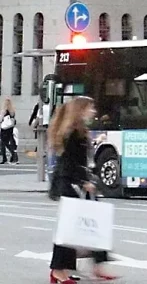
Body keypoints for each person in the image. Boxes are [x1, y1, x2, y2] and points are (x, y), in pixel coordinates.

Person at [47, 96, 117, 284]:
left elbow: (79, 159)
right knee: (69, 229)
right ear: (81, 110)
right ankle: (58, 270)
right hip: (70, 184)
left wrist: (93, 144)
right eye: (90, 108)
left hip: (75, 183)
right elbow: (68, 162)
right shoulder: (72, 132)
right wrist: (83, 180)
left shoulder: (78, 131)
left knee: (94, 223)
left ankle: (95, 266)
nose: (93, 112)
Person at [0, 97, 18, 164]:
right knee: (7, 142)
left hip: (4, 129)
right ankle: (12, 155)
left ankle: (8, 157)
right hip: (10, 128)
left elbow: (1, 119)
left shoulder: (4, 110)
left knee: (3, 143)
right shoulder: (12, 111)